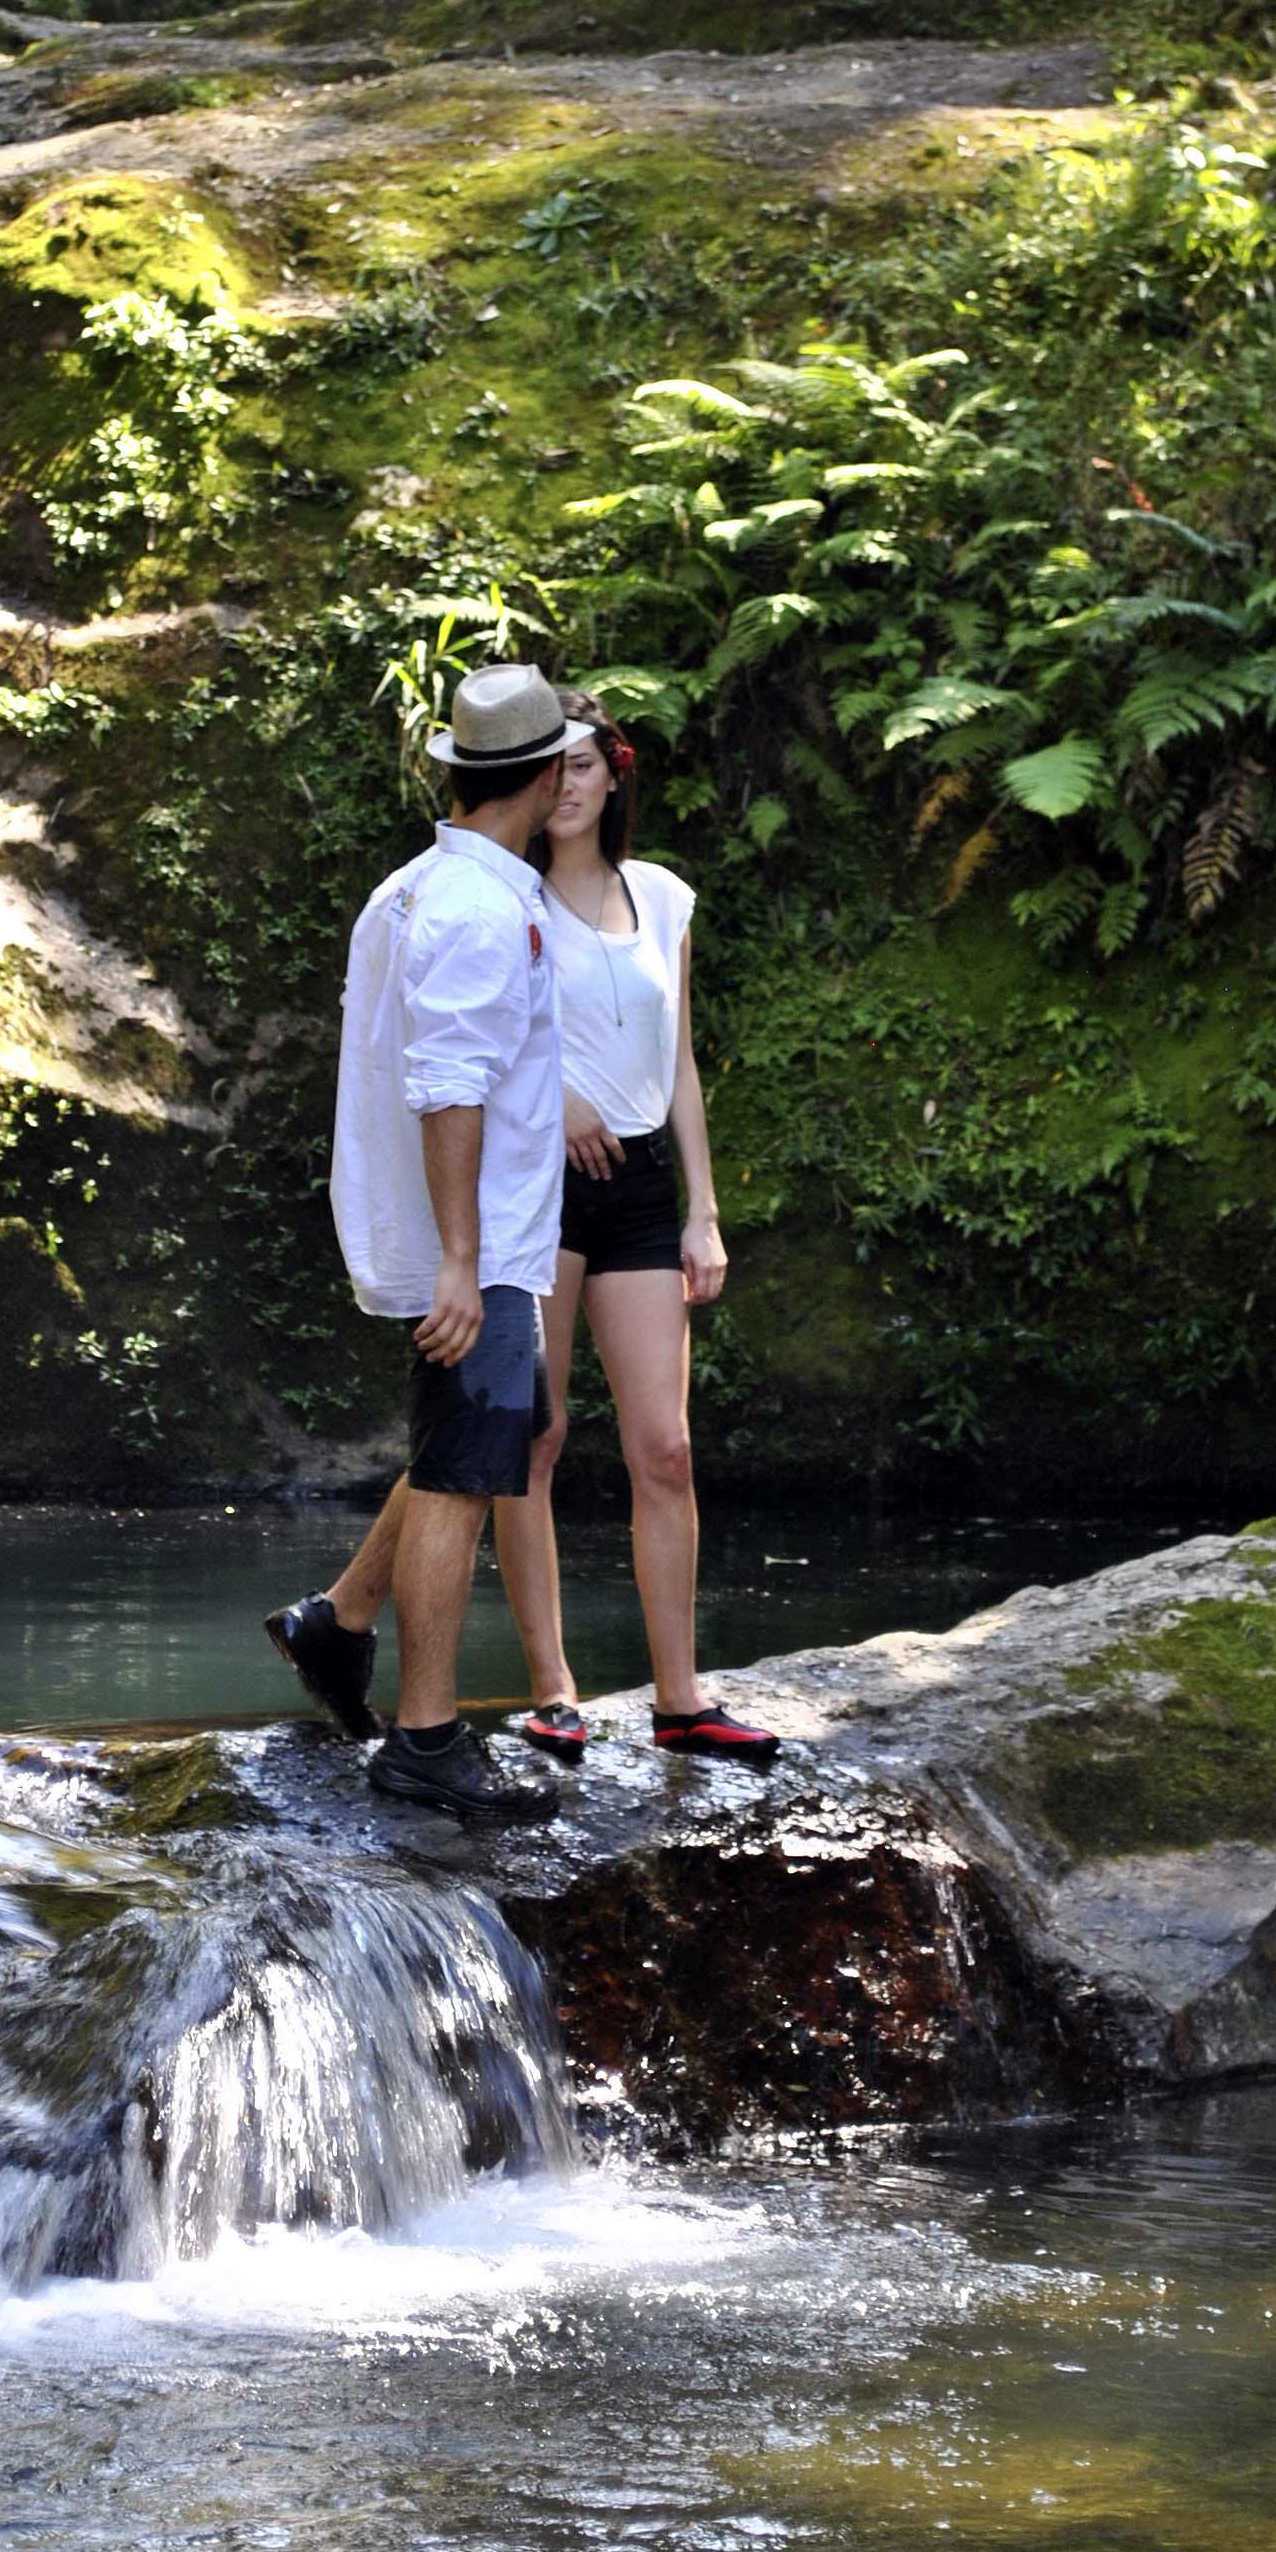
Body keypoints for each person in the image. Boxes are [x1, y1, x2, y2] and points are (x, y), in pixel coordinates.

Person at [263, 659, 589, 1826]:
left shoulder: (418, 888)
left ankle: (338, 1622)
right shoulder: (477, 907)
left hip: (482, 1229)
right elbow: (448, 1084)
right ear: (550, 778)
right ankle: (428, 1737)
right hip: (482, 1238)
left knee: (496, 1432)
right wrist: (462, 1258)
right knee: (462, 1474)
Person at [496, 689, 777, 1771]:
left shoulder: (660, 896)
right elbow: (482, 1040)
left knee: (664, 1445)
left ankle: (680, 1696)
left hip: (644, 1185)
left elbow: (681, 1062)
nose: (562, 785)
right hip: (544, 1183)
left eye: (580, 766)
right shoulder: (508, 899)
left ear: (614, 773)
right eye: (546, 768)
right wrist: (555, 1095)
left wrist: (704, 1210)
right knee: (540, 1435)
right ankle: (555, 1691)